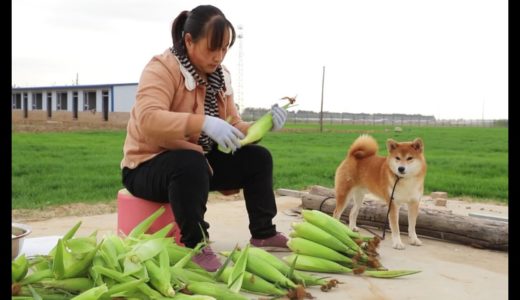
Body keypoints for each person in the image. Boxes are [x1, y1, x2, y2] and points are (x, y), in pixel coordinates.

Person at [120, 4, 289, 272]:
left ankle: (263, 233)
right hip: (147, 166)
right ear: (189, 40)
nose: (219, 57)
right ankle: (196, 244)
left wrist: (262, 125)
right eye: (213, 48)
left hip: (198, 165)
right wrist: (203, 122)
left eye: (224, 48)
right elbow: (148, 119)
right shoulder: (162, 68)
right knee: (190, 161)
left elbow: (232, 122)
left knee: (258, 158)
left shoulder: (222, 78)